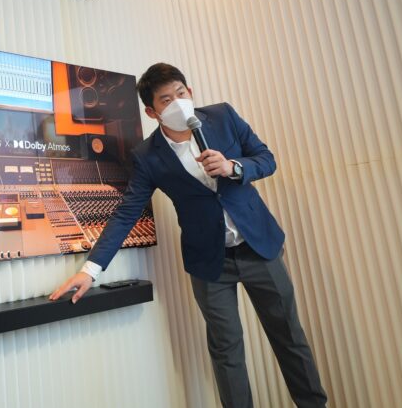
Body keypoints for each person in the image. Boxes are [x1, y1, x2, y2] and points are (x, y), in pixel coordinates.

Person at [49, 63, 327, 408]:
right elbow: (127, 212)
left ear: (190, 92)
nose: (178, 102)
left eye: (181, 93)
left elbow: (266, 159)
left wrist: (234, 167)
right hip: (210, 264)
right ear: (152, 112)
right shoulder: (146, 156)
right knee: (226, 350)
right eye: (166, 100)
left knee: (289, 336)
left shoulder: (223, 116)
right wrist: (90, 270)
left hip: (259, 247)